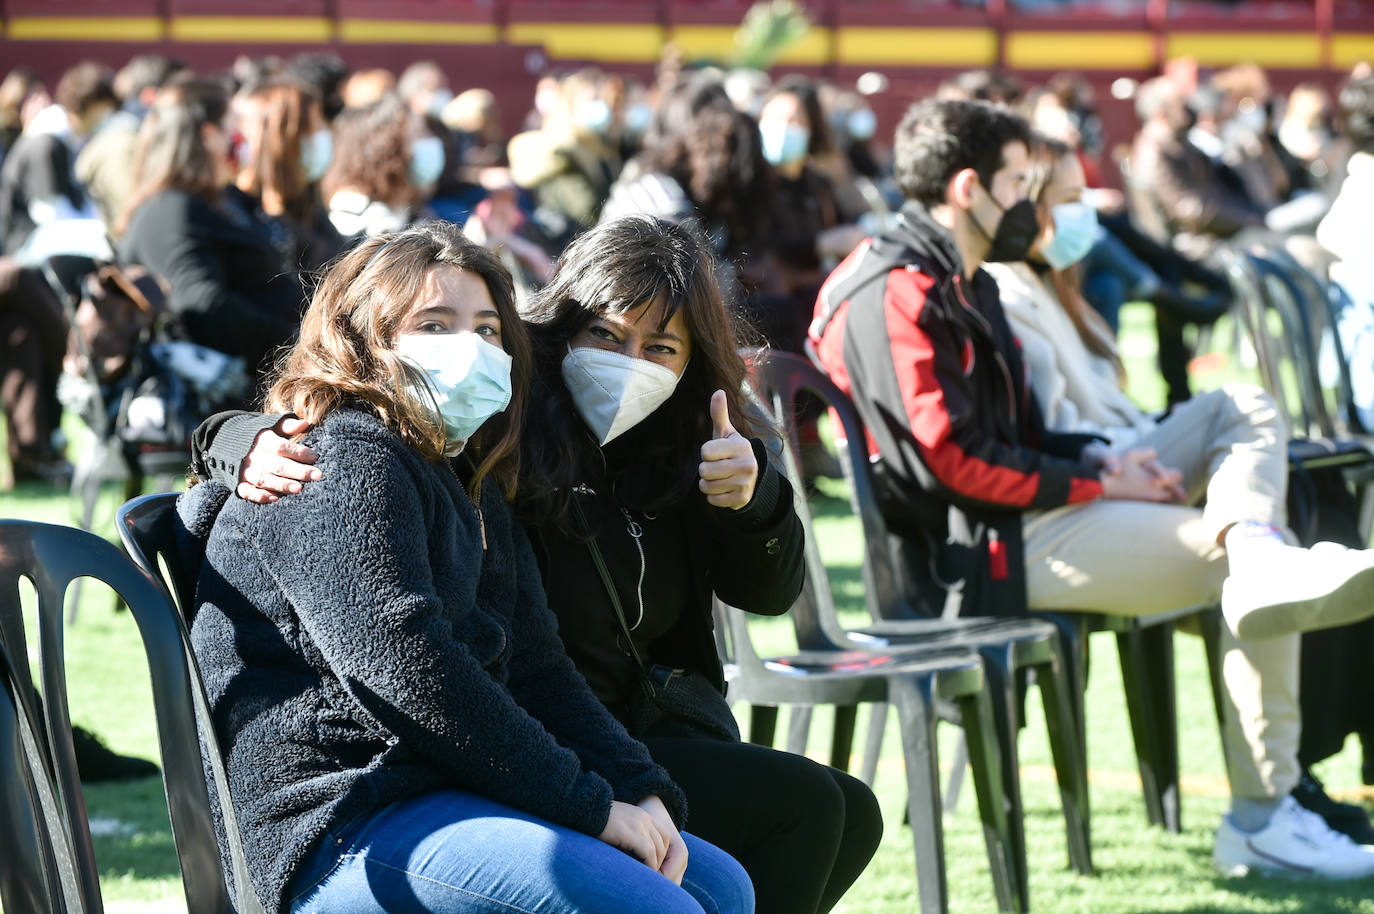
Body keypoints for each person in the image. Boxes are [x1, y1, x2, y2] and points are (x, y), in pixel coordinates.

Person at [192, 216, 884, 914]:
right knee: (675, 897)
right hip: (351, 805)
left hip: (473, 769)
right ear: (367, 334)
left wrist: (636, 786)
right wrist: (591, 803)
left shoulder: (478, 466)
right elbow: (407, 666)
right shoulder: (357, 453)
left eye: (488, 331)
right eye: (435, 325)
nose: (468, 348)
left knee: (727, 885)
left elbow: (536, 658)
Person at [809, 97, 1374, 881]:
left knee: (1240, 424)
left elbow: (1016, 436)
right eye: (1020, 180)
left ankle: (1255, 543)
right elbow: (951, 460)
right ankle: (1262, 817)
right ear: (971, 187)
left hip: (1016, 522)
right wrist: (1094, 478)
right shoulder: (900, 288)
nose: (1035, 198)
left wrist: (1103, 469)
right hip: (970, 557)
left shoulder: (952, 275)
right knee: (1236, 573)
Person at [983, 132, 1374, 846]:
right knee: (1255, 546)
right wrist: (1116, 471)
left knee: (1254, 425)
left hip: (1119, 464)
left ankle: (1285, 785)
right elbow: (1045, 436)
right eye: (1069, 200)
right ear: (1026, 203)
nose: (1087, 215)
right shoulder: (1004, 290)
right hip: (1064, 507)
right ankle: (1268, 812)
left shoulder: (1052, 286)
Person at [117, 76, 303, 389]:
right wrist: (292, 342)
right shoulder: (170, 209)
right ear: (209, 135)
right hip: (233, 392)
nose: (241, 138)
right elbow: (199, 301)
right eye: (233, 125)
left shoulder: (219, 199)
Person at [226, 78, 344, 273]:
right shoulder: (241, 213)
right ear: (285, 139)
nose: (324, 134)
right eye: (315, 126)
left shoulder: (307, 202)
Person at [0, 61, 114, 254]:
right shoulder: (45, 142)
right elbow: (48, 212)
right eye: (105, 109)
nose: (107, 117)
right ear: (91, 105)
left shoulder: (65, 140)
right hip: (23, 246)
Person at [320, 92, 432, 240]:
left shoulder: (405, 211)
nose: (429, 143)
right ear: (387, 151)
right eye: (418, 135)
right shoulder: (354, 220)